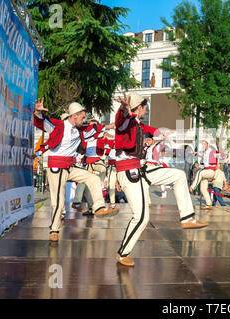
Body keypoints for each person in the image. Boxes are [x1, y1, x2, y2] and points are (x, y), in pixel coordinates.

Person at [114, 92, 207, 267]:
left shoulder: (138, 124)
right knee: (141, 217)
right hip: (129, 170)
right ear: (139, 107)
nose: (146, 110)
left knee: (179, 175)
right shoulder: (126, 121)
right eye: (145, 107)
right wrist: (124, 109)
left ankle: (187, 218)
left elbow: (150, 130)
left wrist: (157, 135)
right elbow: (121, 121)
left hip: (141, 168)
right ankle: (122, 253)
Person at [30, 99, 118, 242]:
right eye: (82, 117)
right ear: (74, 115)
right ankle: (54, 230)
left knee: (93, 178)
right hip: (57, 167)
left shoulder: (80, 131)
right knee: (58, 202)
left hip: (70, 166)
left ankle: (99, 207)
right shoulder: (58, 125)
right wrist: (38, 112)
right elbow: (41, 123)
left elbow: (96, 129)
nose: (84, 121)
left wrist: (113, 125)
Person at [189, 141, 227, 209]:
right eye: (202, 144)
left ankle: (192, 187)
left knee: (200, 173)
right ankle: (209, 204)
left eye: (204, 144)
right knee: (203, 189)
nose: (203, 146)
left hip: (211, 171)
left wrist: (225, 155)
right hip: (206, 171)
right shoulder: (204, 153)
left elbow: (221, 155)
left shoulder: (212, 152)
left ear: (208, 145)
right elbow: (199, 154)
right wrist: (194, 153)